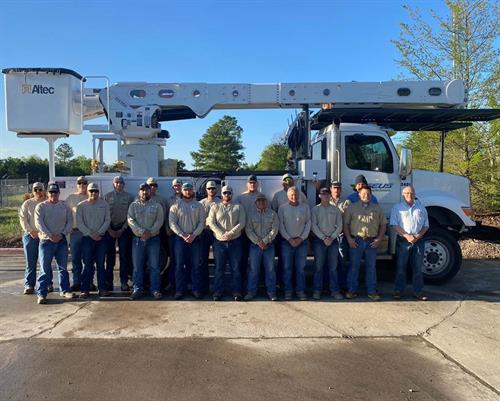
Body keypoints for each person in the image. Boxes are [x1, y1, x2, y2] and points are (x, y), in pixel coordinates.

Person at [343, 185, 386, 301]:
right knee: (354, 266)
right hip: (356, 241)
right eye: (363, 194)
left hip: (371, 242)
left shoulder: (377, 208)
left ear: (371, 195)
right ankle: (351, 290)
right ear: (359, 195)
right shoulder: (351, 208)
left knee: (371, 267)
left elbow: (383, 225)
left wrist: (379, 239)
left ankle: (371, 291)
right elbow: (345, 224)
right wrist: (349, 239)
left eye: (368, 194)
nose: (366, 196)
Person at [34, 183, 75, 304]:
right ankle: (41, 293)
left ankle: (65, 290)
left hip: (61, 241)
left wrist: (62, 234)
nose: (53, 195)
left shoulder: (65, 206)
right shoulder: (41, 207)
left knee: (63, 268)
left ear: (58, 193)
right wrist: (51, 235)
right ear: (47, 193)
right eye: (51, 192)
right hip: (46, 241)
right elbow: (39, 223)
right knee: (45, 269)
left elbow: (70, 222)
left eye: (55, 193)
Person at [390, 185, 430, 301]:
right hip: (403, 240)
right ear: (403, 195)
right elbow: (394, 224)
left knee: (417, 268)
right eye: (407, 193)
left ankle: (418, 292)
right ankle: (398, 291)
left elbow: (426, 225)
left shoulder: (421, 208)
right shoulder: (397, 208)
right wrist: (407, 236)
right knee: (401, 267)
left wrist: (418, 236)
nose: (409, 195)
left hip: (419, 240)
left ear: (415, 194)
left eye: (411, 193)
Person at [208, 185, 246, 301]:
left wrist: (230, 233)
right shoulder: (215, 207)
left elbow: (242, 222)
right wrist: (221, 233)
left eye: (229, 193)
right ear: (221, 194)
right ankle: (218, 292)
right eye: (224, 193)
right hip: (219, 242)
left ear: (232, 194)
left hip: (235, 242)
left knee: (236, 268)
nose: (226, 195)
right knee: (219, 268)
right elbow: (211, 222)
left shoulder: (239, 207)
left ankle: (236, 292)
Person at [169, 182, 206, 299]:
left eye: (190, 190)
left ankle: (195, 289)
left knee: (195, 265)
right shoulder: (175, 206)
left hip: (195, 239)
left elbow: (202, 222)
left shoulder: (199, 206)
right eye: (185, 190)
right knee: (179, 265)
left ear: (192, 191)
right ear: (182, 191)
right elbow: (172, 223)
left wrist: (194, 235)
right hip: (180, 239)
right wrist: (182, 235)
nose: (188, 192)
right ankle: (179, 290)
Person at [127, 183, 164, 300]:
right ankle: (137, 289)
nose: (144, 192)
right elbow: (130, 220)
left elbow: (159, 221)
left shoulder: (157, 206)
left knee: (154, 266)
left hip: (153, 240)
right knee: (137, 266)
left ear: (150, 191)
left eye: (146, 190)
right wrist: (142, 232)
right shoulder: (133, 206)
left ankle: (155, 290)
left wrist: (150, 233)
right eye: (142, 190)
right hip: (138, 240)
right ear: (139, 192)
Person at [76, 183, 111, 298]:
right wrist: (91, 234)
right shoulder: (81, 206)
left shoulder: (104, 204)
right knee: (87, 265)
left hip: (101, 238)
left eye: (96, 191)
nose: (94, 193)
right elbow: (80, 223)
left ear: (98, 192)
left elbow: (107, 220)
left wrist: (99, 232)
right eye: (91, 191)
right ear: (88, 192)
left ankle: (102, 289)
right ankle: (85, 289)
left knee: (101, 265)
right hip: (87, 239)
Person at [278, 186, 311, 301]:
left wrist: (301, 238)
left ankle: (300, 291)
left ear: (299, 195)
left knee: (300, 268)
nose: (294, 197)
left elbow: (308, 224)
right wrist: (289, 239)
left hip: (302, 242)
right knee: (287, 268)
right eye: (291, 195)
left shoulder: (305, 207)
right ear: (288, 196)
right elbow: (280, 225)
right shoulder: (282, 208)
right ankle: (288, 291)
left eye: (296, 194)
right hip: (287, 242)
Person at [244, 193, 279, 301]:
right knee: (253, 270)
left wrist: (265, 241)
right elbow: (248, 230)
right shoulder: (250, 214)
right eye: (259, 201)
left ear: (267, 202)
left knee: (270, 270)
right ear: (255, 203)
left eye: (263, 200)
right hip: (255, 246)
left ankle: (271, 292)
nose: (261, 202)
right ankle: (251, 292)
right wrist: (258, 242)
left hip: (269, 246)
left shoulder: (273, 214)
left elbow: (275, 229)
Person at [312, 187, 343, 300]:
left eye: (327, 194)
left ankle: (334, 291)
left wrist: (332, 237)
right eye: (323, 194)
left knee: (333, 267)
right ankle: (317, 291)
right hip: (320, 241)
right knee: (318, 267)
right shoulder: (315, 210)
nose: (325, 196)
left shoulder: (335, 210)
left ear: (330, 195)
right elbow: (313, 226)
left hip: (333, 241)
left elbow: (340, 225)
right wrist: (324, 237)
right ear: (319, 196)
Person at [104, 175, 134, 291]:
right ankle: (109, 283)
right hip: (110, 229)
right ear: (113, 184)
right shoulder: (107, 197)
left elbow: (130, 215)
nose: (119, 184)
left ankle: (124, 282)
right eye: (117, 182)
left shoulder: (129, 197)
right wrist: (109, 229)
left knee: (124, 257)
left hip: (124, 229)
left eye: (121, 182)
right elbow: (105, 215)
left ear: (124, 184)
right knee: (110, 258)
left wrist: (122, 229)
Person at [19, 182, 49, 294]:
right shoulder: (27, 204)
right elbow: (23, 219)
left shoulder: (48, 203)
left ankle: (47, 283)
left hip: (45, 236)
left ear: (44, 190)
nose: (38, 192)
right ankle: (29, 285)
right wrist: (31, 231)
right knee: (31, 262)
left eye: (40, 189)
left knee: (45, 262)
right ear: (32, 191)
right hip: (30, 235)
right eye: (35, 190)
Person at [235, 175, 264, 287]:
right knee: (242, 260)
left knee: (258, 262)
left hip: (258, 234)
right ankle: (242, 284)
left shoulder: (262, 197)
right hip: (242, 234)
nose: (252, 184)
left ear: (257, 184)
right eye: (250, 182)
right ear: (247, 184)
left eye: (254, 182)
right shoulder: (240, 198)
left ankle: (259, 284)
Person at [65, 176, 89, 291]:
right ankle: (76, 282)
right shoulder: (71, 198)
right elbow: (64, 214)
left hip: (88, 234)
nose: (82, 185)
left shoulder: (92, 196)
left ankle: (88, 282)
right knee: (75, 259)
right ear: (77, 185)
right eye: (80, 183)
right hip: (75, 233)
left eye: (84, 183)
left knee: (88, 260)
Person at [199, 180, 221, 294]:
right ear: (206, 190)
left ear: (216, 190)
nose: (211, 190)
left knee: (218, 261)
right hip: (204, 233)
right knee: (203, 261)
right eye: (209, 188)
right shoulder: (201, 203)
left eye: (213, 188)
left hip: (216, 233)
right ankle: (204, 287)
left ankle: (217, 289)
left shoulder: (220, 202)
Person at [330, 180, 350, 293]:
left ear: (341, 190)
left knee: (342, 262)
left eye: (338, 188)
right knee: (330, 263)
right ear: (330, 189)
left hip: (341, 236)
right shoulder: (326, 201)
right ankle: (328, 285)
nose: (336, 190)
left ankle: (342, 285)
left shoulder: (346, 202)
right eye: (334, 188)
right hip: (329, 236)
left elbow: (347, 219)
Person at [164, 178, 183, 291]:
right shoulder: (169, 200)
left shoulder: (188, 198)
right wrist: (168, 229)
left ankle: (185, 283)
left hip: (185, 234)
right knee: (173, 259)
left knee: (184, 260)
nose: (177, 187)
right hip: (172, 233)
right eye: (175, 185)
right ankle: (172, 283)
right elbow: (167, 216)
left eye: (179, 185)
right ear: (173, 187)